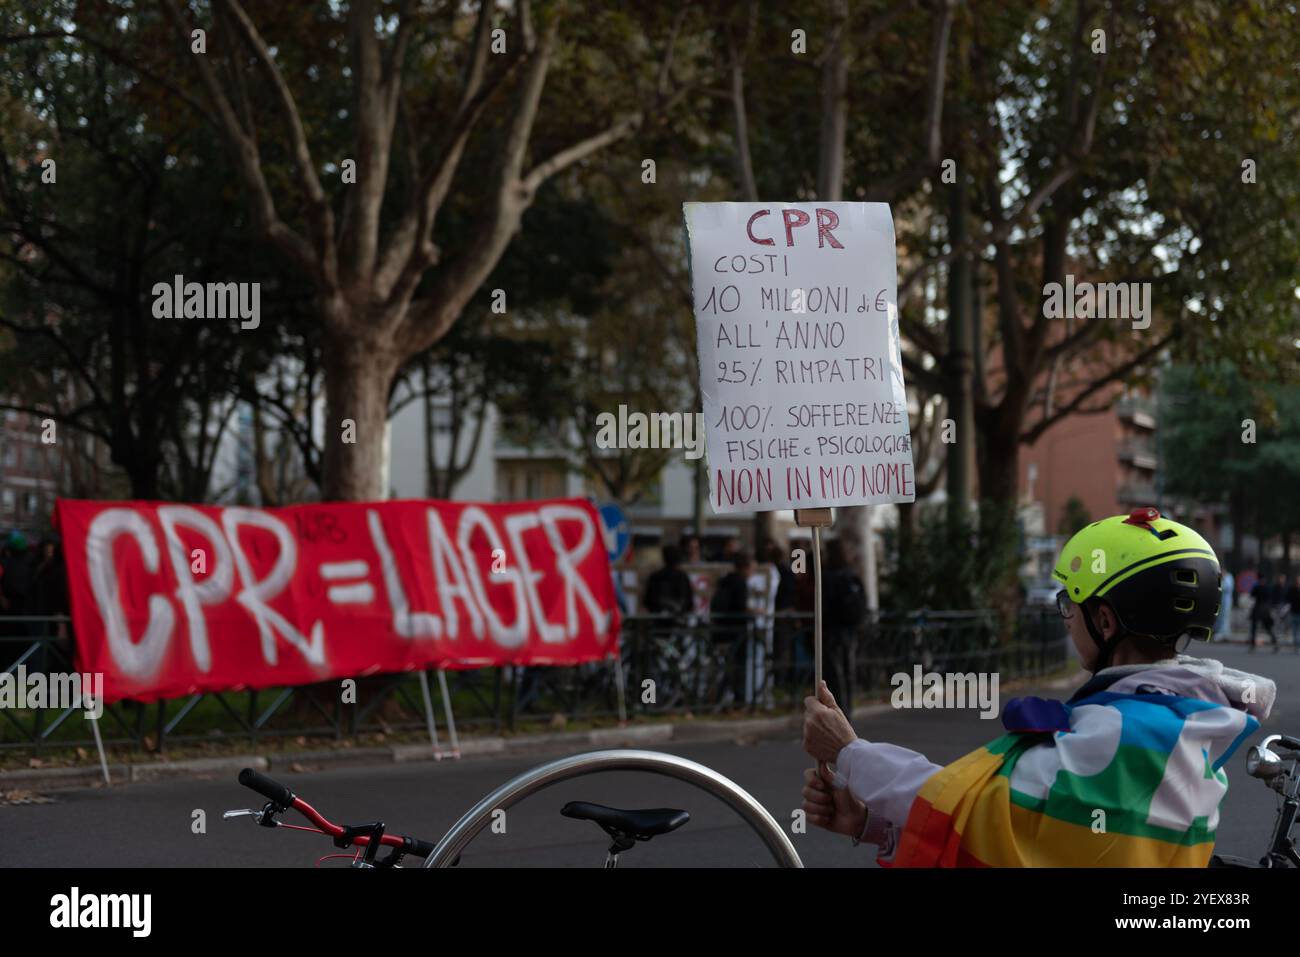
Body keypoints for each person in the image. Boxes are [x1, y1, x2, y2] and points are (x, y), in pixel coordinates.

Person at [801, 507, 1273, 867]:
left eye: (1071, 604)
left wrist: (849, 752)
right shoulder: (1177, 719)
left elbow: (980, 806)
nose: (1067, 622)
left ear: (1104, 620)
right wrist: (869, 823)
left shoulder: (1126, 735)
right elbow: (1035, 840)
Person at [820, 539, 867, 713]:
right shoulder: (851, 575)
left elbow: (825, 604)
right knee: (848, 672)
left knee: (834, 673)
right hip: (850, 630)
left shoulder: (828, 576)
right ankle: (848, 710)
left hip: (833, 630)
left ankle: (840, 711)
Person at [709, 550, 754, 707]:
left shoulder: (724, 580)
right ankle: (737, 701)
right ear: (745, 567)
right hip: (736, 631)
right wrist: (753, 613)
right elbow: (740, 607)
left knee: (726, 667)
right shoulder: (740, 583)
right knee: (737, 668)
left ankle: (718, 698)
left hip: (720, 630)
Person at [642, 544, 694, 619]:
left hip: (662, 620)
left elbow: (648, 601)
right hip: (675, 620)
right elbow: (689, 602)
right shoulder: (682, 577)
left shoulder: (655, 577)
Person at [1249, 572, 1278, 651]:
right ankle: (1275, 643)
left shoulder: (1257, 587)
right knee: (1267, 627)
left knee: (1255, 628)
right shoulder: (1267, 587)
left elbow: (1252, 595)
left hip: (1258, 608)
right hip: (1265, 609)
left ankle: (1253, 645)